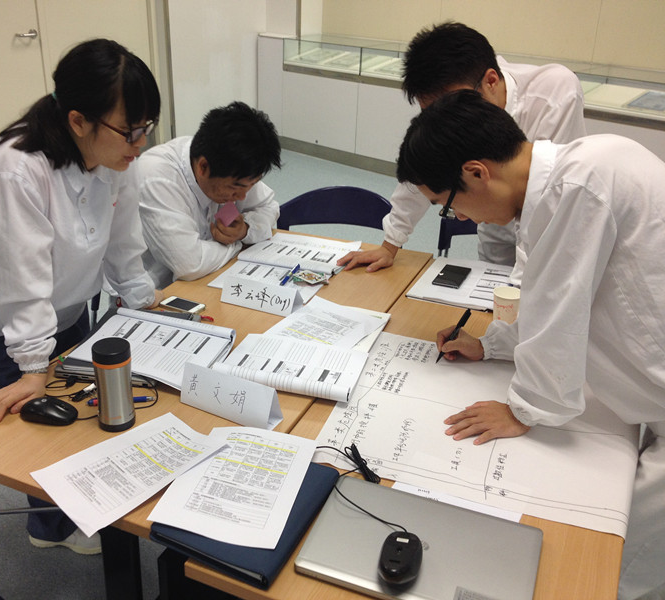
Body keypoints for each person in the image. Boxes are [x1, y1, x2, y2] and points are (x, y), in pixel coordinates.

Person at [395, 89, 665, 600]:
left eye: (447, 206)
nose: (461, 219)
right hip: (648, 391)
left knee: (606, 566)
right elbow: (548, 295)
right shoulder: (566, 180)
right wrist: (491, 345)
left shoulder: (578, 186)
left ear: (476, 172)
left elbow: (562, 306)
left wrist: (525, 409)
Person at [0, 38, 163, 553]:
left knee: (84, 415)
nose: (139, 143)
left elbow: (122, 241)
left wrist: (144, 301)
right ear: (78, 121)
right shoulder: (15, 170)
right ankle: (50, 529)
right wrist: (30, 366)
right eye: (130, 130)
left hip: (67, 311)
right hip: (3, 331)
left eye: (146, 128)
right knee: (38, 436)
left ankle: (78, 510)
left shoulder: (116, 157)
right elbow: (18, 280)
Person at [338, 21, 585, 284]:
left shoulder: (554, 93)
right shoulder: (461, 90)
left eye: (457, 105)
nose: (449, 119)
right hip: (492, 219)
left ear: (491, 81)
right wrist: (390, 245)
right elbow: (426, 170)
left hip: (548, 231)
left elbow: (546, 202)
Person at [135, 101, 281, 288]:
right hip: (156, 292)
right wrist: (238, 244)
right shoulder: (158, 176)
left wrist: (245, 229)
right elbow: (189, 264)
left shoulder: (230, 163)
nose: (242, 196)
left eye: (251, 185)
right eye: (235, 187)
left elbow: (269, 206)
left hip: (213, 275)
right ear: (203, 167)